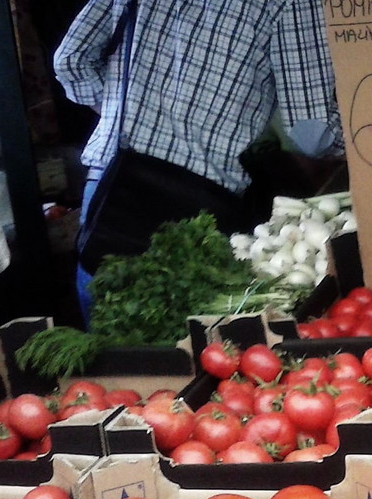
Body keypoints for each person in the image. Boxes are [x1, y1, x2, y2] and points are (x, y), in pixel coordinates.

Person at [54, 0, 344, 322]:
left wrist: (120, 114)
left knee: (111, 357)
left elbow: (71, 62)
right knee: (186, 356)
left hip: (110, 187)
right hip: (197, 207)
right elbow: (310, 130)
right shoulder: (293, 3)